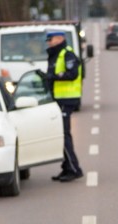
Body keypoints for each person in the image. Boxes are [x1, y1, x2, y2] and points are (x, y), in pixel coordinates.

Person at [44, 29, 83, 182]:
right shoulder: (55, 53)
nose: (49, 42)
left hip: (67, 99)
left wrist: (54, 77)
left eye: (51, 39)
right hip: (59, 99)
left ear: (60, 38)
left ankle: (74, 168)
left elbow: (72, 74)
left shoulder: (67, 53)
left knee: (63, 134)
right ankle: (66, 168)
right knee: (61, 134)